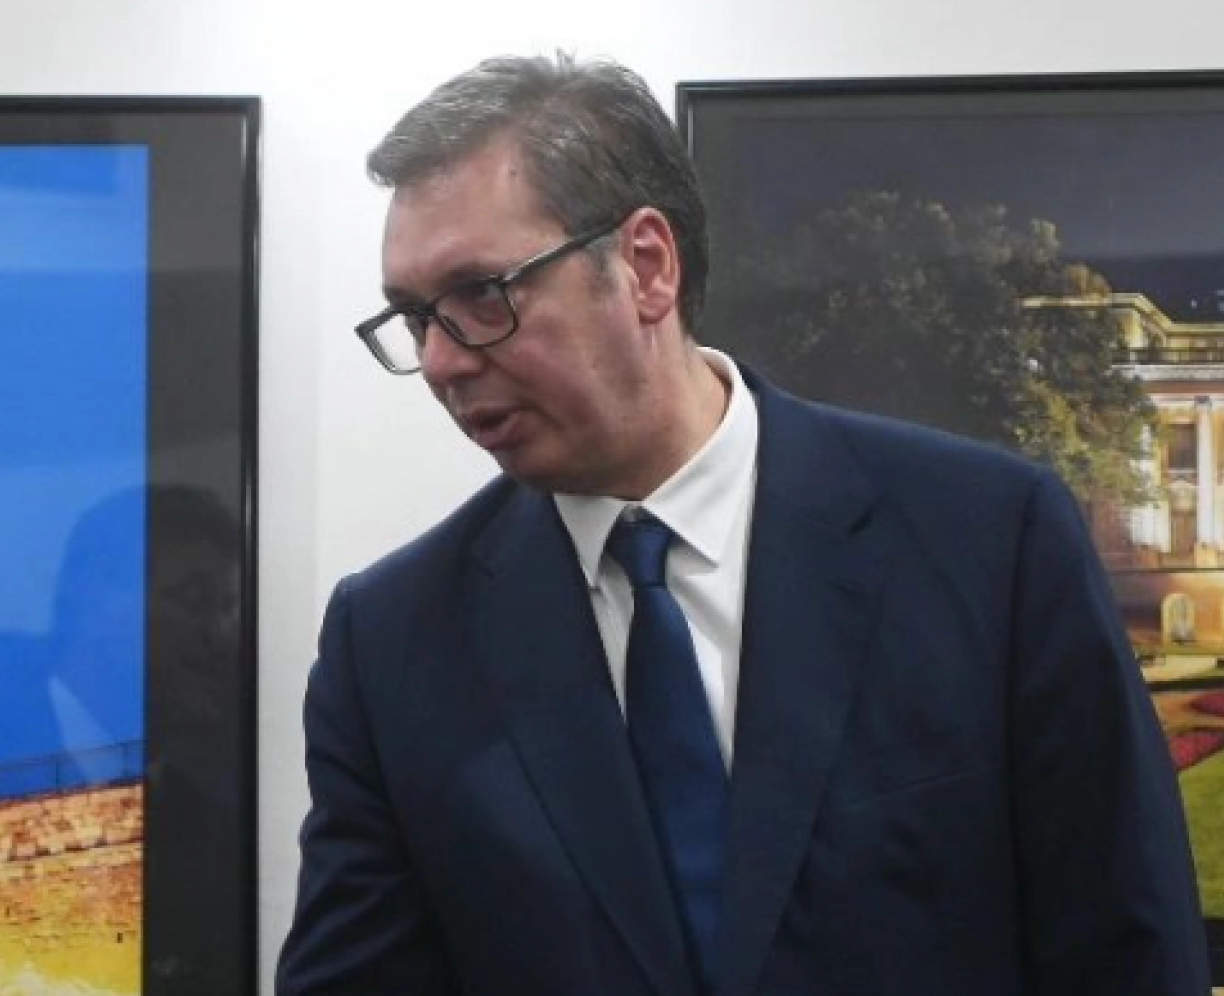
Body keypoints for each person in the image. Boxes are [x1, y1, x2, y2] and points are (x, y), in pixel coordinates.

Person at [277, 52, 1207, 996]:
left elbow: (1128, 948)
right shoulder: (392, 640)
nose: (440, 362)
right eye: (414, 317)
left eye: (482, 295)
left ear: (645, 266)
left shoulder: (989, 541)